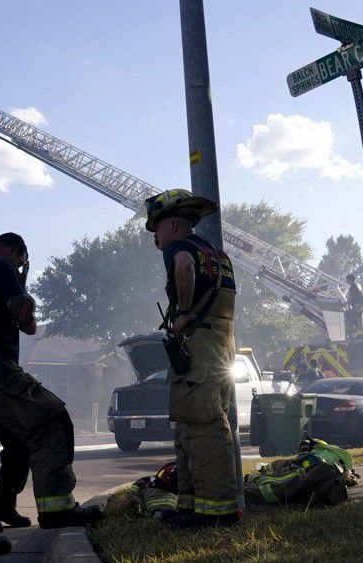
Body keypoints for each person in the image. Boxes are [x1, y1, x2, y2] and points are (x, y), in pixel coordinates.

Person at [0, 232, 103, 560]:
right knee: (50, 418)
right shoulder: (1, 268)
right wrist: (21, 284)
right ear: (16, 253)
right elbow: (25, 318)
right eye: (20, 262)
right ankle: (58, 508)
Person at [145, 189, 240, 529]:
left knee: (203, 425)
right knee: (191, 422)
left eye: (157, 227)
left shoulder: (180, 250)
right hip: (220, 342)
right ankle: (191, 503)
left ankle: (217, 511)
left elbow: (183, 267)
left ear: (174, 225)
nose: (154, 234)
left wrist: (183, 314)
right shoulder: (216, 253)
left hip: (199, 342)